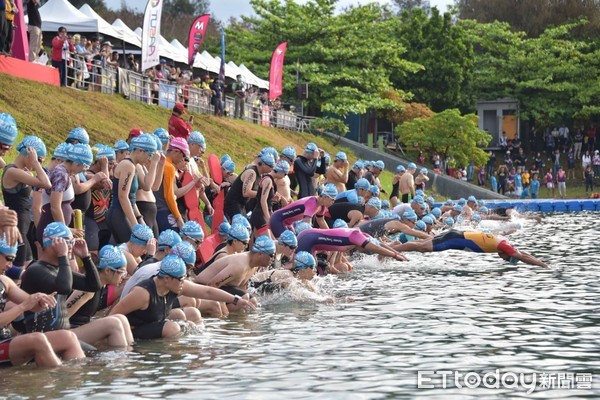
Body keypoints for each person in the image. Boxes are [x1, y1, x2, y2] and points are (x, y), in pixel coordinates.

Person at [18, 223, 132, 348]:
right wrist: (63, 256)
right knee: (111, 327)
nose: (70, 246)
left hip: (62, 335)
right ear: (52, 243)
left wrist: (86, 257)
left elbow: (93, 285)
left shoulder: (57, 270)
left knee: (99, 350)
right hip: (46, 339)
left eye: (72, 241)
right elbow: (64, 287)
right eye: (67, 241)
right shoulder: (36, 270)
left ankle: (125, 362)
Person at [112, 255, 255, 339]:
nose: (183, 282)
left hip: (152, 319)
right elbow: (113, 315)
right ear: (167, 278)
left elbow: (207, 292)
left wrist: (236, 300)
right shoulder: (143, 293)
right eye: (181, 279)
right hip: (134, 329)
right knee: (173, 328)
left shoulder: (174, 284)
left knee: (191, 314)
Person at [0, 236, 86, 367]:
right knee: (38, 340)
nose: (11, 265)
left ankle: (73, 381)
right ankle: (57, 376)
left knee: (68, 337)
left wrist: (41, 301)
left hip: (6, 341)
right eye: (9, 259)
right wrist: (22, 307)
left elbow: (33, 305)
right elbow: (25, 305)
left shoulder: (5, 281)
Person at [2, 137, 50, 270]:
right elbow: (46, 184)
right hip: (16, 228)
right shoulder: (13, 172)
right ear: (29, 154)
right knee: (14, 272)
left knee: (26, 270)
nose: (39, 164)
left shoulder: (22, 172)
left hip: (23, 228)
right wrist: (35, 162)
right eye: (39, 159)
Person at [392, 229, 549, 267]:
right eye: (507, 258)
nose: (502, 258)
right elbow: (523, 257)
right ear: (507, 255)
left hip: (455, 234)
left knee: (421, 246)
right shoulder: (504, 247)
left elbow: (521, 253)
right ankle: (395, 248)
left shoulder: (503, 241)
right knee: (421, 248)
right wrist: (543, 265)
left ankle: (395, 248)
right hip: (455, 240)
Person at [36, 143, 93, 245]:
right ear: (76, 164)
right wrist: (66, 230)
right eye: (83, 167)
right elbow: (55, 207)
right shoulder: (61, 174)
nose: (83, 171)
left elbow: (59, 203)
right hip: (53, 232)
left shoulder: (64, 173)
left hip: (55, 230)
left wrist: (69, 210)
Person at [106, 134, 158, 244]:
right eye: (149, 154)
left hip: (123, 213)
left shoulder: (133, 166)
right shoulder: (127, 165)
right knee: (132, 250)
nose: (149, 158)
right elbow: (123, 197)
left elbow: (132, 198)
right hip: (118, 214)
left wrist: (140, 219)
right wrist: (135, 225)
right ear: (140, 150)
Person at [269, 183, 338, 238]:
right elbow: (306, 224)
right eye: (333, 200)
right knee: (288, 244)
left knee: (292, 246)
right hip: (278, 219)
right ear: (325, 197)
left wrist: (331, 235)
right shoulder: (312, 203)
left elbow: (321, 221)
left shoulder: (322, 206)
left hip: (288, 223)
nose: (333, 202)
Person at [224, 152, 275, 221]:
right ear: (263, 164)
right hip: (233, 203)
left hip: (241, 205)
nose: (272, 169)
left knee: (247, 228)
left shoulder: (261, 175)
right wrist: (263, 195)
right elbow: (246, 193)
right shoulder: (251, 173)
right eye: (271, 166)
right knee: (241, 228)